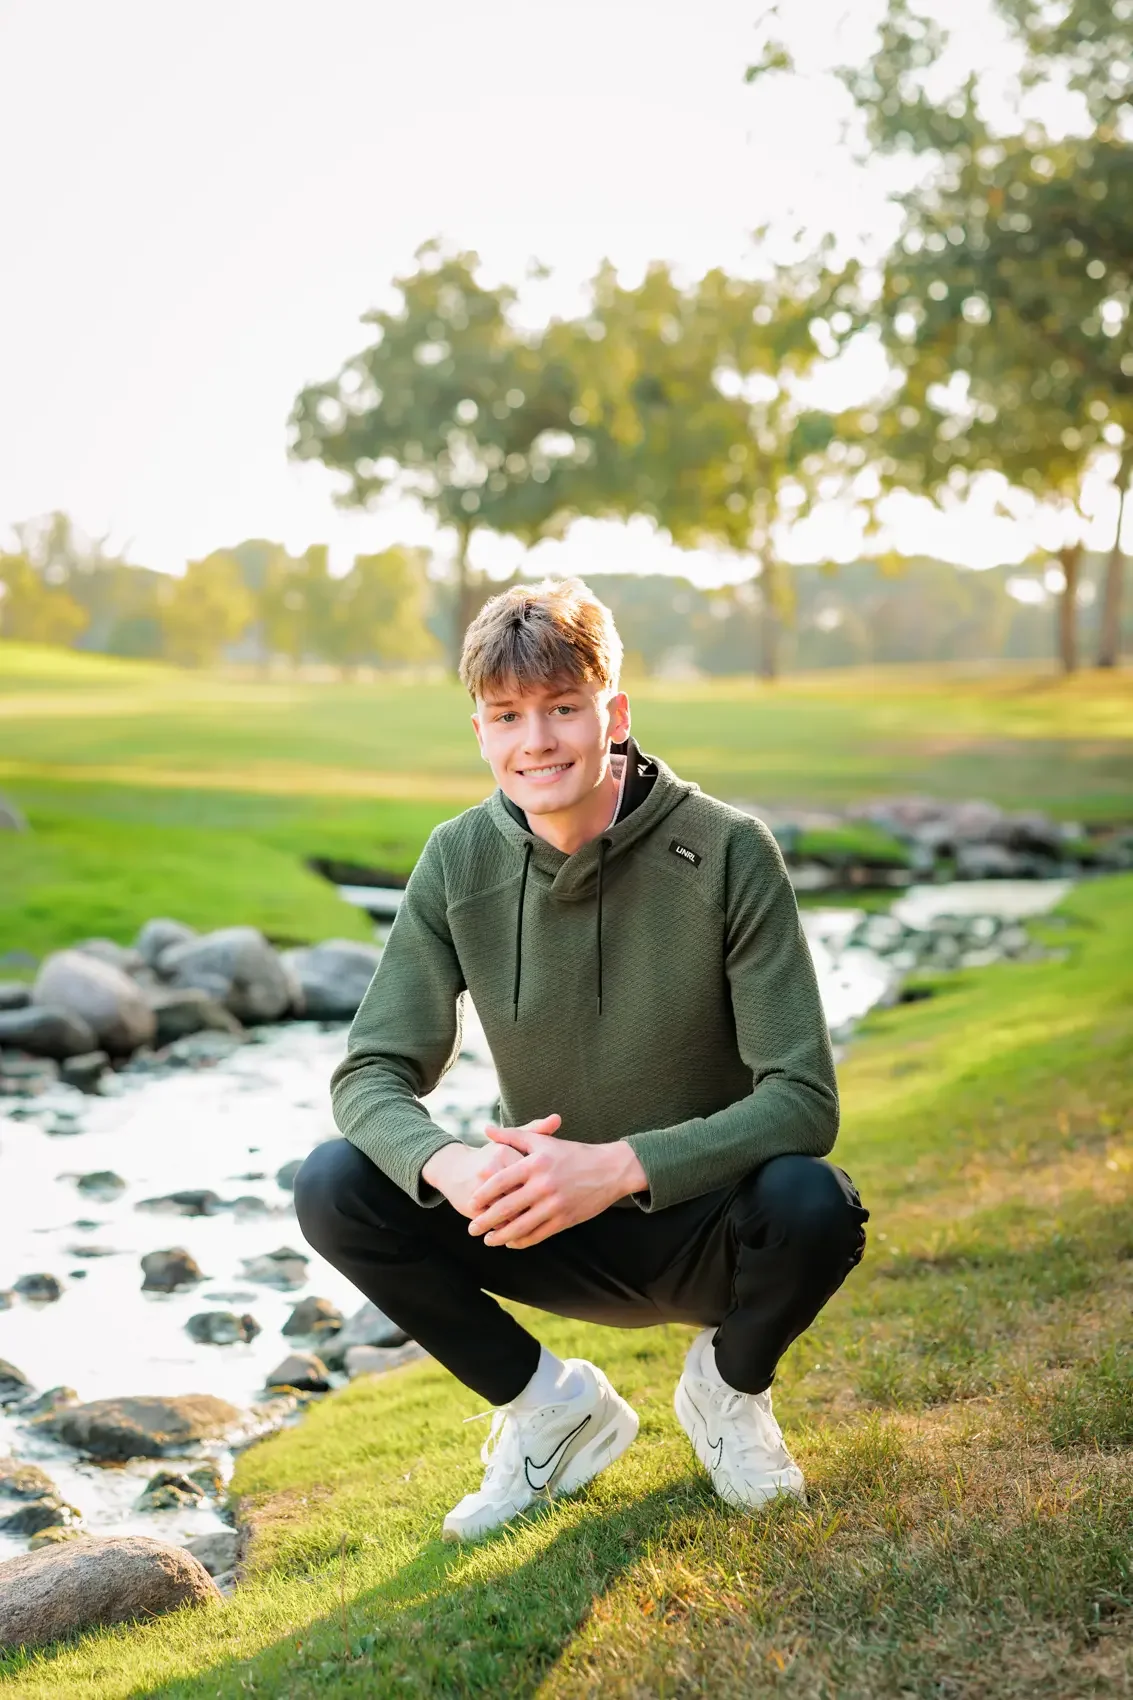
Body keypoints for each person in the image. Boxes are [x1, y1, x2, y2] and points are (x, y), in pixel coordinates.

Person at [295, 576, 868, 1543]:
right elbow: (369, 1074)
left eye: (564, 708)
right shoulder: (456, 861)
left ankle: (726, 1393)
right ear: (478, 730)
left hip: (703, 1229)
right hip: (544, 1226)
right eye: (507, 715)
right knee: (336, 1182)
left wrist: (614, 1167)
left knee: (816, 1203)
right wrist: (456, 1169)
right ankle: (550, 1409)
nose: (537, 741)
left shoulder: (730, 851)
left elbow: (802, 1100)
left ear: (614, 713)